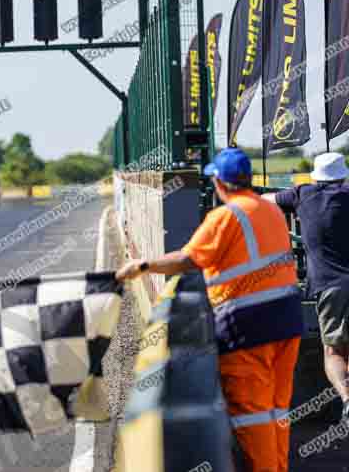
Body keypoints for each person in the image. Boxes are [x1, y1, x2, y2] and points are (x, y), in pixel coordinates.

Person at [116, 147, 302, 472]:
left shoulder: (226, 216)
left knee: (253, 411)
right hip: (287, 322)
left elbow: (188, 260)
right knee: (276, 407)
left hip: (247, 328)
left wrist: (143, 265)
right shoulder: (269, 210)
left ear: (219, 182)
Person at [263, 152, 349, 420]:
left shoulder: (302, 195)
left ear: (315, 177)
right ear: (343, 175)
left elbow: (263, 201)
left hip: (329, 285)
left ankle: (347, 399)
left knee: (333, 350)